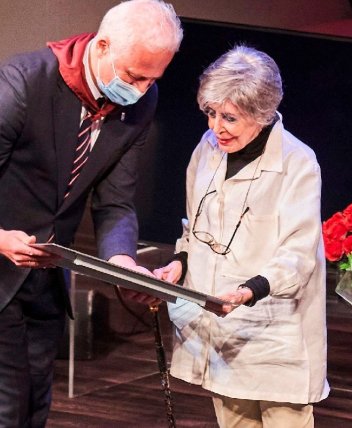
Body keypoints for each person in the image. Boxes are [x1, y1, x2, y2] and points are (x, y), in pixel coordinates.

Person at [0, 1, 182, 426]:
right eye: (134, 76)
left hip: (46, 277)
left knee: (33, 410)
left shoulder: (142, 102)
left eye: (153, 79)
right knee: (6, 409)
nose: (139, 90)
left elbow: (116, 199)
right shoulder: (22, 83)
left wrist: (122, 264)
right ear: (101, 46)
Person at [154, 45, 329, 427]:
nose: (216, 127)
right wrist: (179, 264)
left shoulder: (298, 162)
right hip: (220, 329)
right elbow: (195, 228)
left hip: (274, 329)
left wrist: (249, 291)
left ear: (261, 114)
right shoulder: (207, 149)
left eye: (229, 117)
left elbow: (299, 253)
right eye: (211, 113)